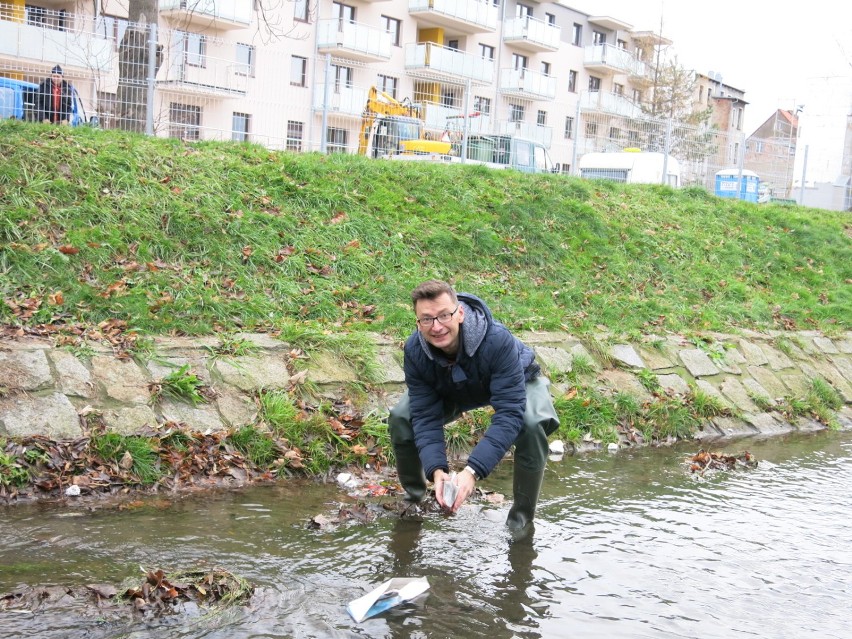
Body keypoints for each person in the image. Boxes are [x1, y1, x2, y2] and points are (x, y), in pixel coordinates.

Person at [388, 280, 559, 534]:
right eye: (427, 319)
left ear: (459, 313)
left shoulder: (497, 340)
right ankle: (415, 499)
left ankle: (520, 523)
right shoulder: (414, 350)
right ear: (417, 323)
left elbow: (510, 412)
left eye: (444, 315)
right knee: (403, 416)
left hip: (516, 381)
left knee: (532, 424)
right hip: (452, 386)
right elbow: (425, 415)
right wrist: (437, 469)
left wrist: (472, 471)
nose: (436, 327)